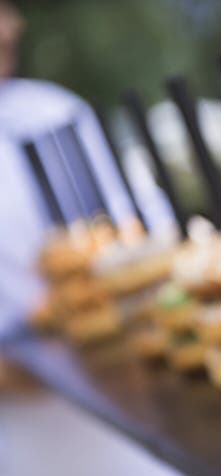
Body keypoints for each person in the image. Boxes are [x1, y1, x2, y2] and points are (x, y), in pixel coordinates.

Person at [0, 0, 134, 338]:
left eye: (7, 11)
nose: (8, 29)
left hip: (109, 329)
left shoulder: (55, 111)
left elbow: (133, 213)